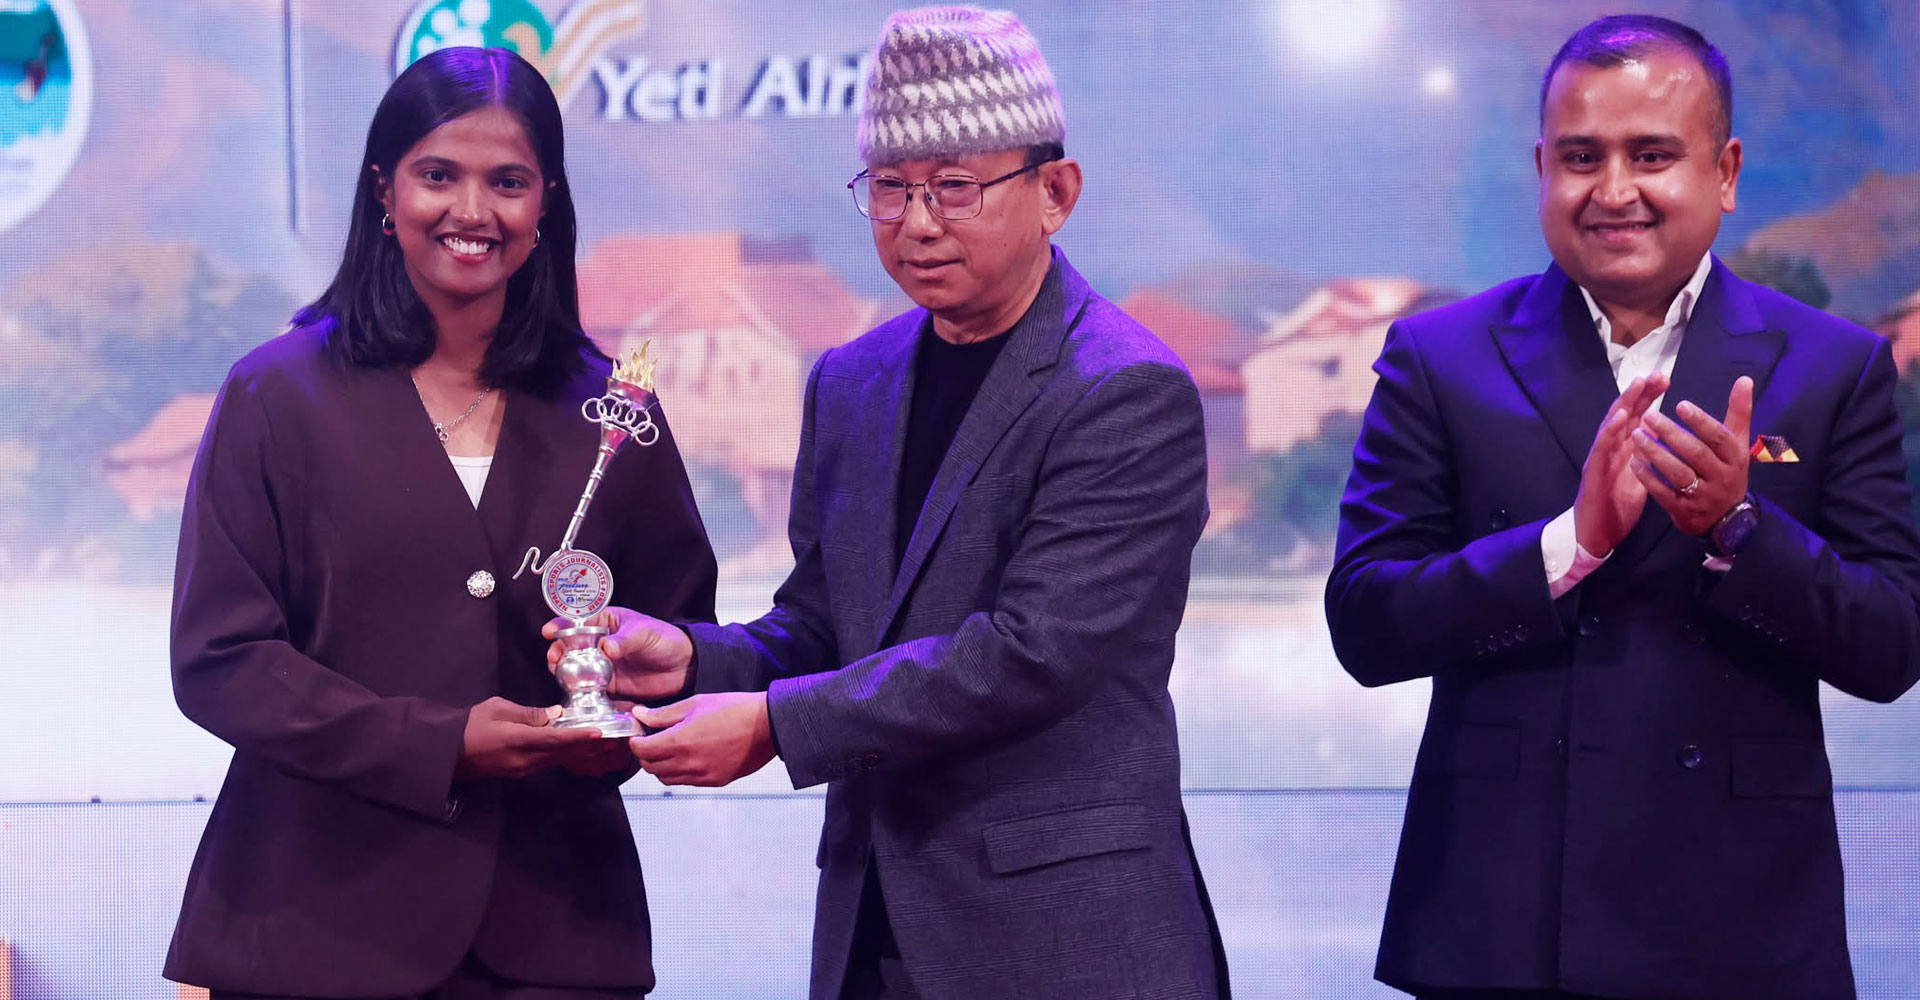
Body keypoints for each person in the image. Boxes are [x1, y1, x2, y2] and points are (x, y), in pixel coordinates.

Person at [544, 7, 1228, 999]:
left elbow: (1030, 656)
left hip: (1066, 939)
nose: (917, 222)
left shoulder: (1125, 388)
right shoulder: (852, 380)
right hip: (875, 928)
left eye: (955, 186)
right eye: (891, 187)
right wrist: (695, 658)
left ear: (1056, 192)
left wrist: (774, 724)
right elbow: (827, 624)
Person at [1326, 14, 1920, 1000]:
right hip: (1507, 921)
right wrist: (1570, 545)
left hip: (1745, 925)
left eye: (1651, 155)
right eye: (1580, 158)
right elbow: (1365, 624)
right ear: (1541, 170)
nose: (1613, 190)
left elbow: (1893, 645)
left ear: (1725, 172)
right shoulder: (1439, 358)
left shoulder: (1834, 366)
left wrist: (1738, 527)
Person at [165, 47, 716, 999]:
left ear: (547, 203)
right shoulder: (276, 395)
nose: (473, 210)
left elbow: (678, 640)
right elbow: (221, 660)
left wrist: (615, 712)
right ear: (385, 191)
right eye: (438, 175)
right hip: (313, 930)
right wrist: (437, 743)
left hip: (555, 935)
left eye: (508, 181)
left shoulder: (613, 411)